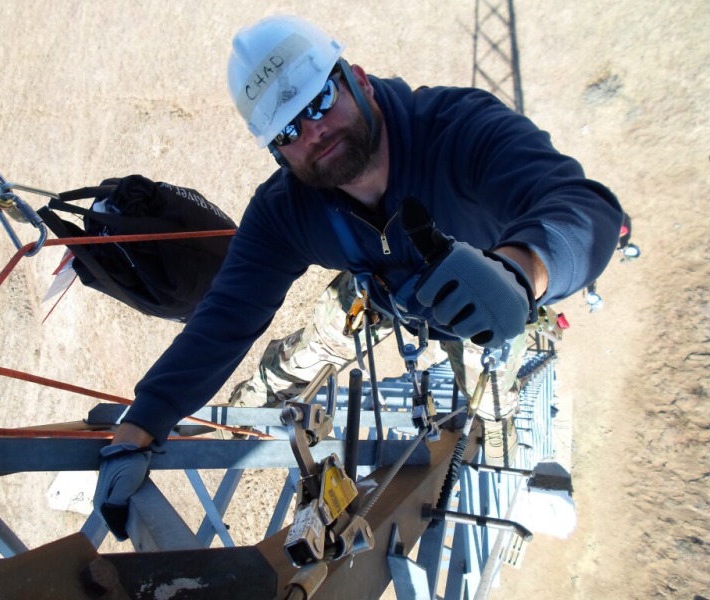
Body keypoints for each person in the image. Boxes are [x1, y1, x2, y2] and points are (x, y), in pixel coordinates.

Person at [93, 14, 624, 540]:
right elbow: (227, 314)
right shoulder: (288, 211)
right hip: (382, 294)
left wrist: (522, 269)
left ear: (360, 81)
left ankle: (494, 425)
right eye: (288, 130)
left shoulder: (457, 130)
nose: (313, 131)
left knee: (489, 399)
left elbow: (582, 207)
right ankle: (257, 401)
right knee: (303, 354)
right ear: (278, 153)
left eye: (320, 100)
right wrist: (145, 420)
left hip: (485, 298)